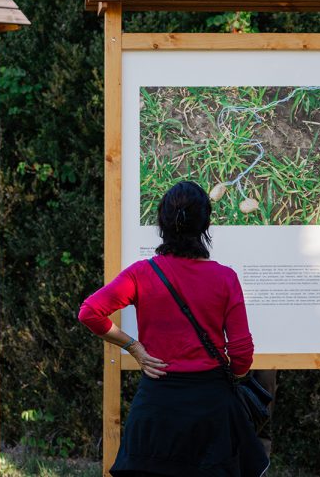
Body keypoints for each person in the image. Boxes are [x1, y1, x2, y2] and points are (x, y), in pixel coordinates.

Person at [78, 181, 268, 477]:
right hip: (210, 408)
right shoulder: (225, 278)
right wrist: (233, 374)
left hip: (157, 405)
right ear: (205, 224)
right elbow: (242, 354)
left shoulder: (141, 273)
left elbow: (90, 312)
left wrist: (134, 347)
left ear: (162, 223)